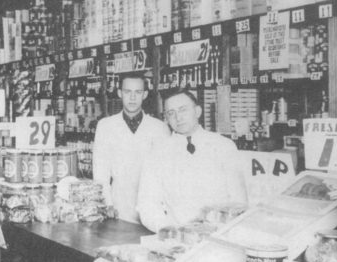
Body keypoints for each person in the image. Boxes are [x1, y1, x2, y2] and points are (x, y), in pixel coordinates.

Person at [137, 89, 247, 232]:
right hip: (178, 238)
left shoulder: (224, 146)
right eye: (171, 113)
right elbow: (147, 204)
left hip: (221, 236)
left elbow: (239, 202)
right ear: (166, 119)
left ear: (198, 111)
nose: (178, 117)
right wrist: (168, 229)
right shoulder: (157, 153)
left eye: (183, 110)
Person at [93, 73, 170, 223]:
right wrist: (106, 204)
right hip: (117, 207)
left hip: (152, 207)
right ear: (120, 93)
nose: (133, 98)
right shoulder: (105, 126)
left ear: (145, 94)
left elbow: (166, 173)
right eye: (128, 92)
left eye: (138, 92)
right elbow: (100, 171)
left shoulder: (159, 128)